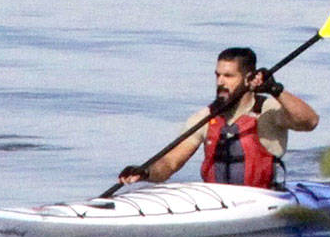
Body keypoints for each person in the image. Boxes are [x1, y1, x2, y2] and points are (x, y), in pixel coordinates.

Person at [117, 46, 319, 189]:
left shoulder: (268, 110)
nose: (220, 82)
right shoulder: (205, 117)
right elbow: (170, 163)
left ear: (249, 78)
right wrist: (145, 173)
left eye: (229, 76)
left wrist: (275, 90)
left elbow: (310, 122)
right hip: (217, 200)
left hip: (263, 200)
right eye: (217, 75)